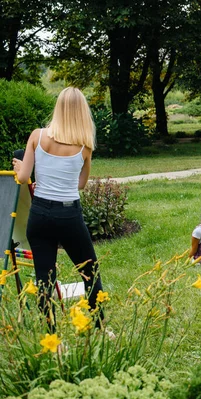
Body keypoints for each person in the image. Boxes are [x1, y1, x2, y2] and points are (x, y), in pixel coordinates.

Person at [12, 87, 105, 330]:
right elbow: (81, 184)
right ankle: (100, 327)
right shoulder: (85, 146)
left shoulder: (37, 136)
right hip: (69, 215)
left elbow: (23, 178)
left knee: (44, 277)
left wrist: (20, 166)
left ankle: (51, 336)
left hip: (40, 214)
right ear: (81, 113)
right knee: (90, 271)